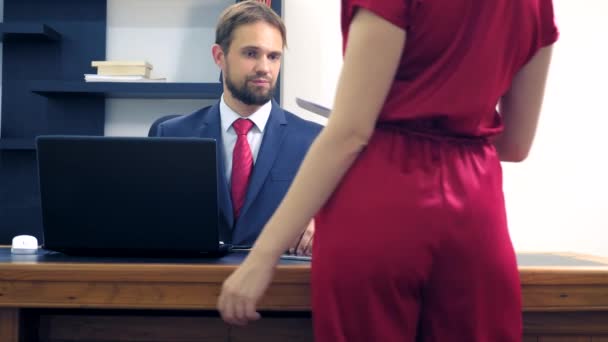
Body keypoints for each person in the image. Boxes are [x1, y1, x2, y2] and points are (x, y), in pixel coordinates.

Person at [217, 0, 559, 340]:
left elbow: (351, 131)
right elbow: (515, 145)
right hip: (475, 206)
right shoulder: (536, 5)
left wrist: (263, 257)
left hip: (381, 197)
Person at [155, 1, 322, 254]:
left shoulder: (314, 140)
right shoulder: (171, 134)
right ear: (219, 56)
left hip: (277, 285)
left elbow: (349, 220)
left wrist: (322, 224)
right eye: (251, 53)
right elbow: (152, 221)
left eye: (273, 56)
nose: (264, 68)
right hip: (191, 283)